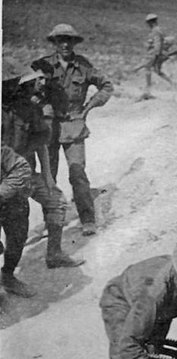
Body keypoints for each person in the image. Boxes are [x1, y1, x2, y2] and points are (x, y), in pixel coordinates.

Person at [2, 59, 85, 276]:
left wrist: (48, 177)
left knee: (57, 201)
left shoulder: (30, 109)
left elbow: (42, 146)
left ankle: (54, 254)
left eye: (14, 83)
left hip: (25, 174)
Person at [33, 24, 114, 237]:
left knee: (77, 173)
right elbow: (29, 92)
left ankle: (87, 219)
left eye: (69, 40)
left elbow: (106, 85)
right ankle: (50, 221)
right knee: (48, 176)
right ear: (55, 43)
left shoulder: (84, 66)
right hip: (49, 127)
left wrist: (89, 107)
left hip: (74, 126)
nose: (65, 44)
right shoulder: (43, 65)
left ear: (74, 43)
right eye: (61, 40)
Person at [0, 144, 32, 300]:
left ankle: (7, 275)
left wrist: (2, 192)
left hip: (9, 197)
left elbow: (22, 168)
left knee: (17, 237)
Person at [132, 14, 177, 101]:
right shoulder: (156, 30)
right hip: (153, 54)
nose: (147, 25)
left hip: (153, 54)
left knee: (147, 69)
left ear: (151, 22)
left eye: (148, 23)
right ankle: (171, 83)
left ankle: (147, 91)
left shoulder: (156, 31)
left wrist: (155, 55)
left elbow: (157, 44)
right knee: (154, 70)